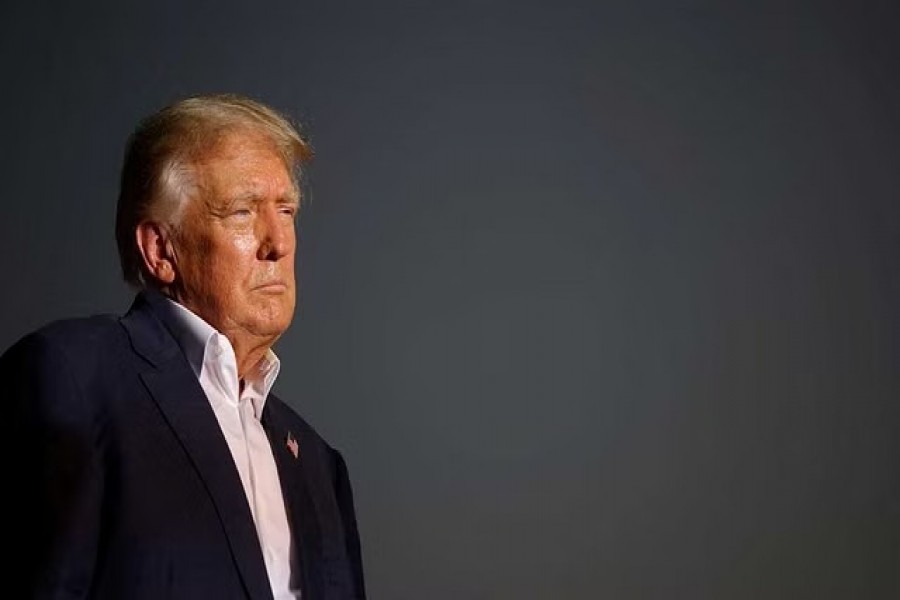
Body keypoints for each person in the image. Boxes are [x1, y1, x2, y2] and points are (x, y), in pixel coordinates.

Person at [2, 94, 366, 599]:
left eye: (286, 210)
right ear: (160, 250)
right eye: (242, 212)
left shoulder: (320, 466)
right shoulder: (71, 380)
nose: (279, 243)